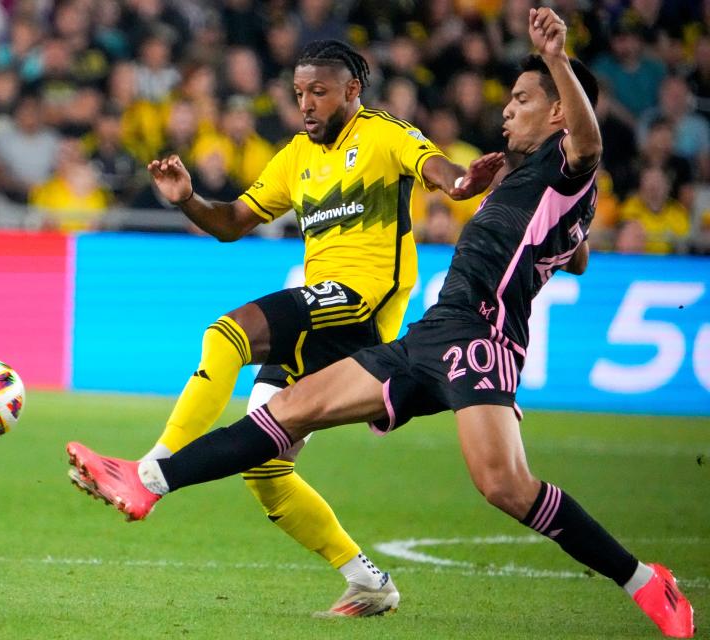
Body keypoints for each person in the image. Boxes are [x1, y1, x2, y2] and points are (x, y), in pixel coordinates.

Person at [65, 11, 694, 638]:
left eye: (523, 99)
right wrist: (559, 228)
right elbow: (574, 252)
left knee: (506, 487)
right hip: (429, 334)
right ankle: (147, 480)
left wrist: (555, 58)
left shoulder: (569, 161)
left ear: (560, 111)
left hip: (480, 340)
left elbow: (583, 149)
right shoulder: (532, 177)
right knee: (284, 414)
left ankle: (644, 581)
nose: (506, 111)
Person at [68, 38, 504, 618]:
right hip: (322, 309)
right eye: (299, 93)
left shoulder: (383, 134)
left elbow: (438, 171)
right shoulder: (295, 156)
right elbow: (231, 224)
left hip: (359, 306)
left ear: (353, 90)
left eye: (319, 92)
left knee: (229, 332)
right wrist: (188, 199)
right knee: (266, 468)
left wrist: (462, 183)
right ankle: (368, 581)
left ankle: (146, 472)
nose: (306, 104)